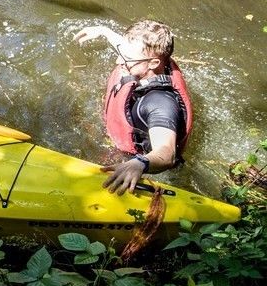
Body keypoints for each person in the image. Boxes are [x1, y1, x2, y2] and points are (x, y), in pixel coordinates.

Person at [74, 20, 193, 195]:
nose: (118, 60)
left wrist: (139, 163)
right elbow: (131, 51)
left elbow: (167, 152)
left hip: (143, 162)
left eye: (127, 58)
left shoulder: (160, 104)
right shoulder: (149, 62)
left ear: (153, 63)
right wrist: (104, 31)